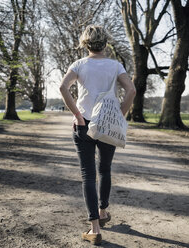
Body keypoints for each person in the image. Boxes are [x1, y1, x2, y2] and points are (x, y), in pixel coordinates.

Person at [59, 25, 136, 245]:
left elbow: (63, 87)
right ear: (106, 43)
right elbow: (131, 91)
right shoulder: (115, 66)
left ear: (85, 43)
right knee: (105, 169)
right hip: (107, 124)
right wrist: (119, 115)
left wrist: (77, 114)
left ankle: (94, 229)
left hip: (84, 123)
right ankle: (103, 213)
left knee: (88, 175)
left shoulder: (79, 65)